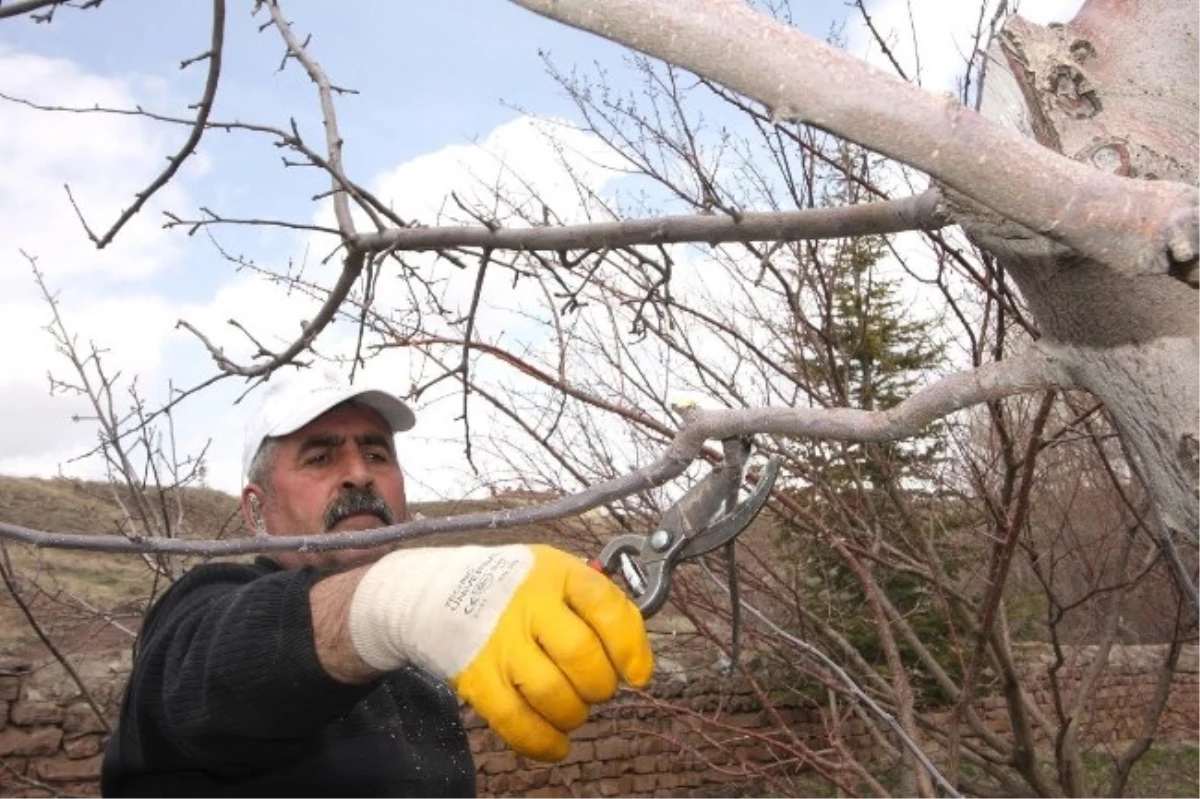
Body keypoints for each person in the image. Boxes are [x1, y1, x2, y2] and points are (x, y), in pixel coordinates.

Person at [101, 367, 654, 798]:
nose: (360, 473)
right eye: (319, 456)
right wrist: (402, 601)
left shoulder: (413, 659)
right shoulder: (202, 611)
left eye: (375, 452)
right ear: (257, 510)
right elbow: (212, 667)